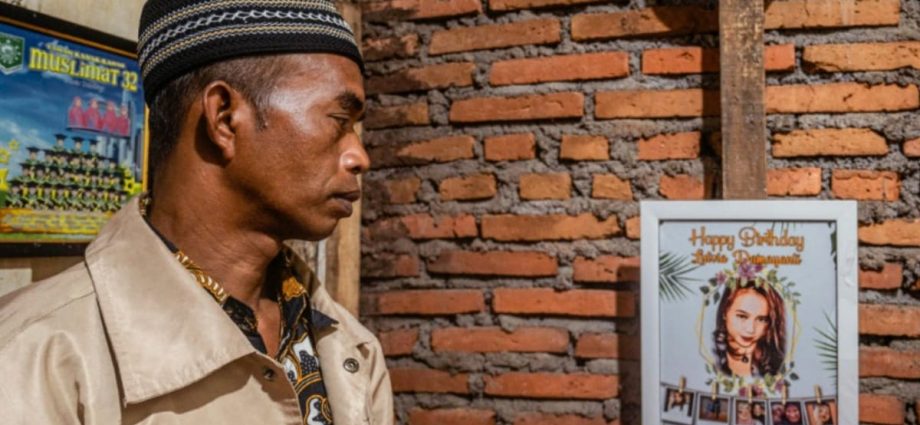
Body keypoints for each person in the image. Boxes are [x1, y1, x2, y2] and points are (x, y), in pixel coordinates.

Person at [0, 1, 391, 424]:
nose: (359, 157)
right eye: (338, 119)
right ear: (224, 118)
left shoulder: (350, 349)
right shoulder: (37, 356)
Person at [712, 269, 786, 377]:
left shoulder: (777, 363)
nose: (750, 329)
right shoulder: (708, 354)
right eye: (742, 316)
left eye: (761, 319)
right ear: (724, 311)